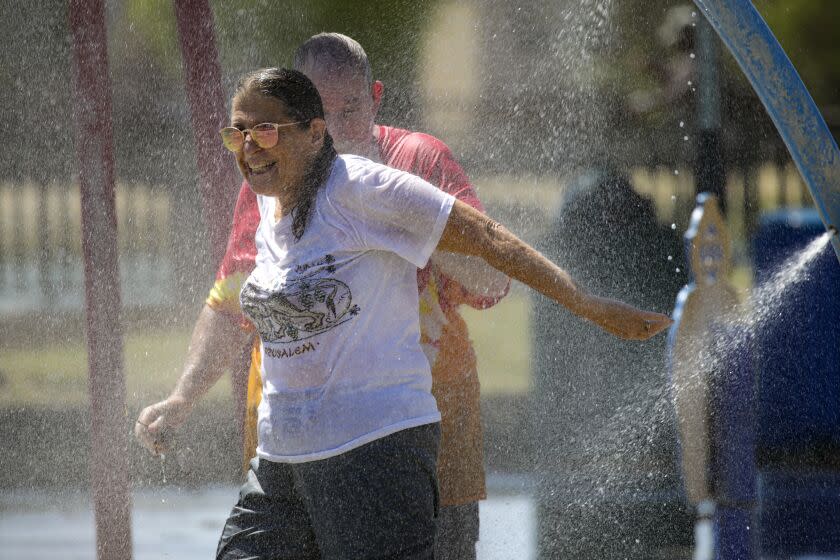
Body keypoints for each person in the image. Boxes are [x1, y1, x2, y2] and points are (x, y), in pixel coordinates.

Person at [136, 66, 671, 559]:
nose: (249, 147)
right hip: (282, 468)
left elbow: (486, 237)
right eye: (238, 133)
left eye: (267, 130)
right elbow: (229, 307)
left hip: (374, 460)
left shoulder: (358, 187)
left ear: (314, 133)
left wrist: (588, 304)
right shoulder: (266, 207)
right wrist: (183, 397)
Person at [140, 32, 510, 560]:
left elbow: (492, 282)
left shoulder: (417, 163)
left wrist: (410, 217)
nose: (333, 130)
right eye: (317, 111)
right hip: (290, 439)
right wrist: (182, 398)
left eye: (350, 109)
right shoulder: (268, 181)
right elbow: (229, 305)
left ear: (377, 97)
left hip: (417, 429)